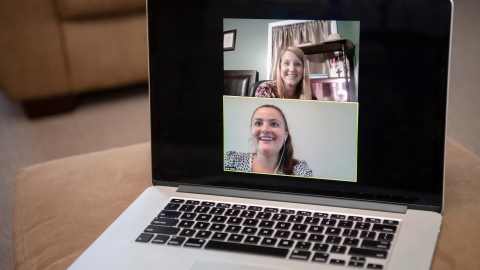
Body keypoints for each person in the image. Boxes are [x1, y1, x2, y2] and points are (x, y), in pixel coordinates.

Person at [225, 104, 313, 177]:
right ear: (251, 130)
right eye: (258, 123)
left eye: (274, 124)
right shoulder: (230, 160)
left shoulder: (301, 171)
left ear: (286, 133)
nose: (265, 129)